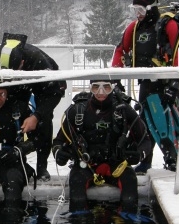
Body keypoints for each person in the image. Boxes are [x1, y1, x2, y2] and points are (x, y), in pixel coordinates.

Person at [111, 0, 179, 173]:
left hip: (167, 83)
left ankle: (175, 160)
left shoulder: (168, 25)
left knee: (167, 123)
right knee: (146, 122)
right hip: (146, 83)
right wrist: (115, 79)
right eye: (134, 10)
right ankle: (146, 160)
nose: (138, 14)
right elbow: (121, 50)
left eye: (141, 9)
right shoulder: (134, 28)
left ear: (151, 8)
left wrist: (176, 84)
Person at [0, 33, 67, 181]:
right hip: (8, 88)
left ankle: (41, 166)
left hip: (38, 82)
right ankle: (0, 156)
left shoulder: (37, 61)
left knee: (44, 119)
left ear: (22, 62)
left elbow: (53, 94)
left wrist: (36, 116)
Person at [52, 81, 151, 213]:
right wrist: (59, 153)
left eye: (106, 87)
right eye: (96, 87)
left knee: (130, 180)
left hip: (117, 164)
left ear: (112, 88)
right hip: (86, 165)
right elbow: (58, 141)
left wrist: (139, 154)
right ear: (90, 88)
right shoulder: (77, 111)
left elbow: (145, 141)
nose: (100, 92)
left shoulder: (124, 110)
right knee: (76, 183)